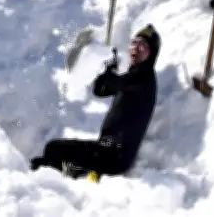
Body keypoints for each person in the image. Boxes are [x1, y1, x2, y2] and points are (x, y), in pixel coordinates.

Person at [30, 25, 160, 182]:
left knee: (53, 150)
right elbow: (101, 90)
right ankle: (75, 173)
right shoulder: (132, 77)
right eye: (134, 42)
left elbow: (115, 82)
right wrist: (108, 66)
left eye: (143, 45)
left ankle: (66, 175)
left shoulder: (144, 79)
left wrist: (104, 60)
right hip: (107, 149)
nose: (136, 48)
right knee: (53, 152)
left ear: (151, 53)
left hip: (116, 154)